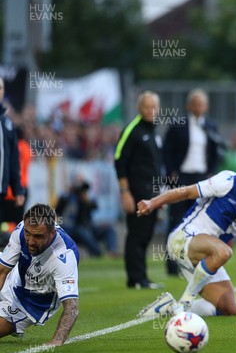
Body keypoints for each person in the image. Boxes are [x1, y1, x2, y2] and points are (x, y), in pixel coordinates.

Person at [136, 150, 236, 317]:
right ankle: (186, 301)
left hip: (207, 256)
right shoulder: (228, 181)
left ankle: (170, 307)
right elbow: (186, 192)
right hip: (183, 239)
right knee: (224, 251)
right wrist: (153, 202)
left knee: (228, 308)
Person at [163, 88, 224, 276]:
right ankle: (172, 265)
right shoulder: (178, 125)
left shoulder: (210, 126)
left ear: (206, 106)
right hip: (182, 177)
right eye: (195, 104)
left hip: (201, 179)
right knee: (177, 220)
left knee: (199, 221)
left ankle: (194, 262)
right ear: (189, 106)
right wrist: (171, 173)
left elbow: (217, 151)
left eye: (202, 104)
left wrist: (210, 173)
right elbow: (167, 150)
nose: (199, 107)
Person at [0, 204, 79, 345]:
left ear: (52, 233)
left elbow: (72, 307)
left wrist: (56, 341)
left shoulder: (64, 257)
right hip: (15, 277)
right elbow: (2, 271)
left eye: (38, 236)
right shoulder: (23, 228)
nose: (30, 241)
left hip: (28, 304)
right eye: (28, 234)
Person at [114, 91, 163, 289]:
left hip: (152, 193)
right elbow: (119, 160)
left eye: (154, 107)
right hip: (135, 192)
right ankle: (135, 278)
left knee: (146, 234)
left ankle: (142, 276)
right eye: (146, 107)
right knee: (136, 234)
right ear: (139, 108)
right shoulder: (132, 130)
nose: (150, 111)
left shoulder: (153, 132)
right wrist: (125, 192)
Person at [55, 179, 119, 258]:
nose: (84, 193)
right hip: (74, 231)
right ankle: (98, 254)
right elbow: (58, 211)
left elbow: (95, 206)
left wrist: (86, 201)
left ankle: (111, 252)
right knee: (82, 232)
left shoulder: (87, 201)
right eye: (82, 191)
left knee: (109, 229)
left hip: (89, 228)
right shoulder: (69, 200)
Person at [0, 77, 24, 222]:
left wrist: (18, 189)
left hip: (1, 190)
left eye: (1, 88)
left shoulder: (7, 124)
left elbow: (13, 160)